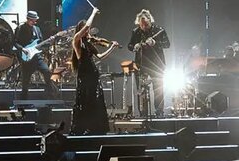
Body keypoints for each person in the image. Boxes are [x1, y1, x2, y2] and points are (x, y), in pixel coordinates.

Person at [70, 7, 118, 135]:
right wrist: (93, 12)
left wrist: (112, 47)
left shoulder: (89, 43)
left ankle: (95, 127)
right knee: (85, 99)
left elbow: (100, 57)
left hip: (93, 74)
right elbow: (87, 26)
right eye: (85, 29)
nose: (88, 31)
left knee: (94, 100)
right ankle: (83, 127)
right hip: (84, 74)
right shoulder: (76, 40)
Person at [128, 9, 170, 117]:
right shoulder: (136, 32)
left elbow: (167, 44)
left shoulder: (159, 30)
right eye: (141, 25)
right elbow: (130, 45)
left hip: (157, 64)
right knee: (141, 89)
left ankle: (159, 112)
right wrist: (135, 46)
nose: (144, 27)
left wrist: (155, 43)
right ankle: (143, 112)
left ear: (150, 21)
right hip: (141, 63)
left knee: (158, 88)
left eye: (146, 24)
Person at [13, 10, 56, 100]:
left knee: (47, 71)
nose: (34, 22)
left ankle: (50, 94)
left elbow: (41, 43)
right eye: (32, 20)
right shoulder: (20, 29)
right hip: (27, 59)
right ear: (28, 19)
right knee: (25, 81)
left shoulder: (37, 29)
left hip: (37, 57)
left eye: (35, 20)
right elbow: (15, 43)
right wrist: (23, 49)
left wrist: (50, 41)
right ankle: (23, 102)